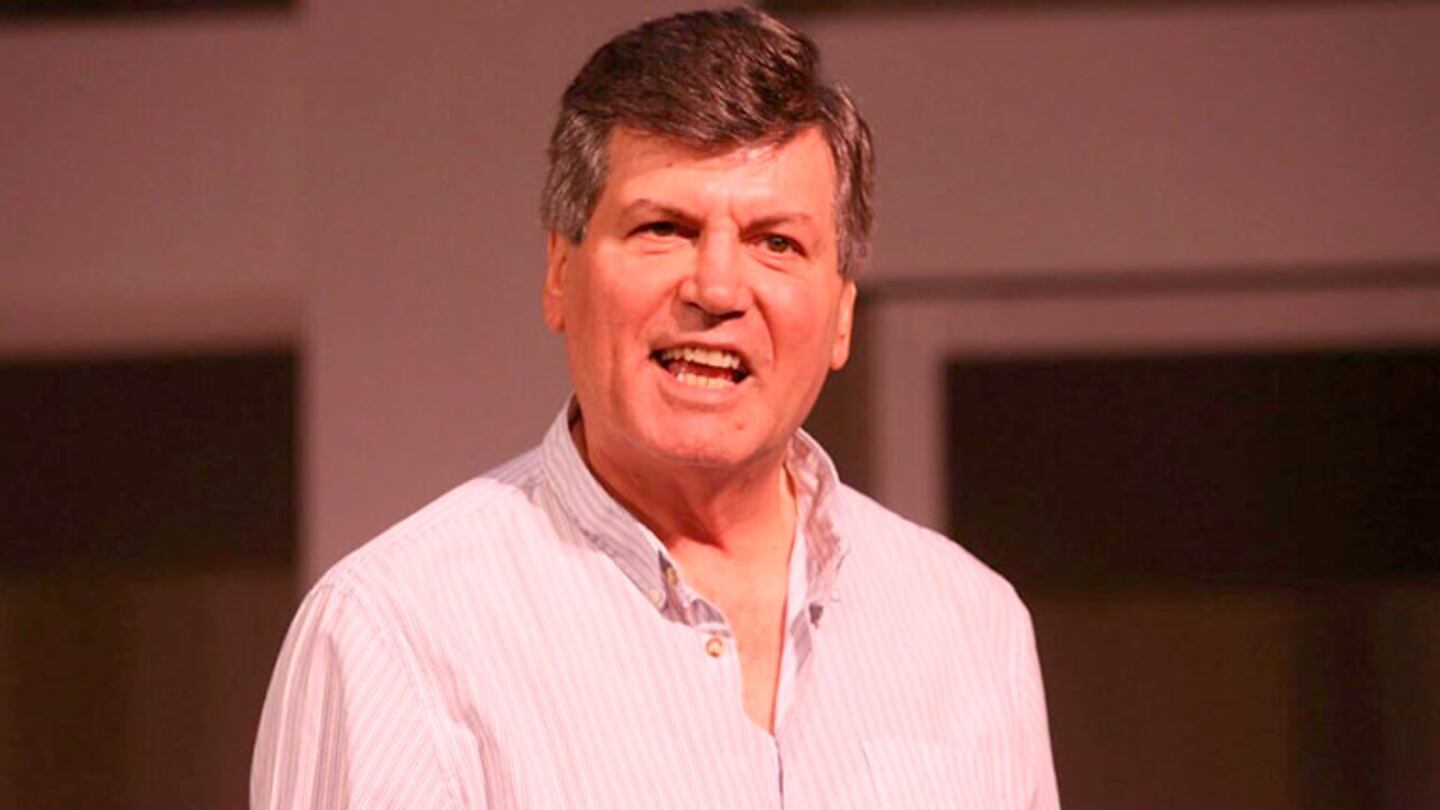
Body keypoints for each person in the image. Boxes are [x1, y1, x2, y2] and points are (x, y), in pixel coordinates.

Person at [251, 7, 1059, 808]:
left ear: (842, 313)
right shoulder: (394, 634)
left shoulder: (972, 626)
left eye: (776, 242)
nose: (717, 288)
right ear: (559, 273)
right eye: (664, 228)